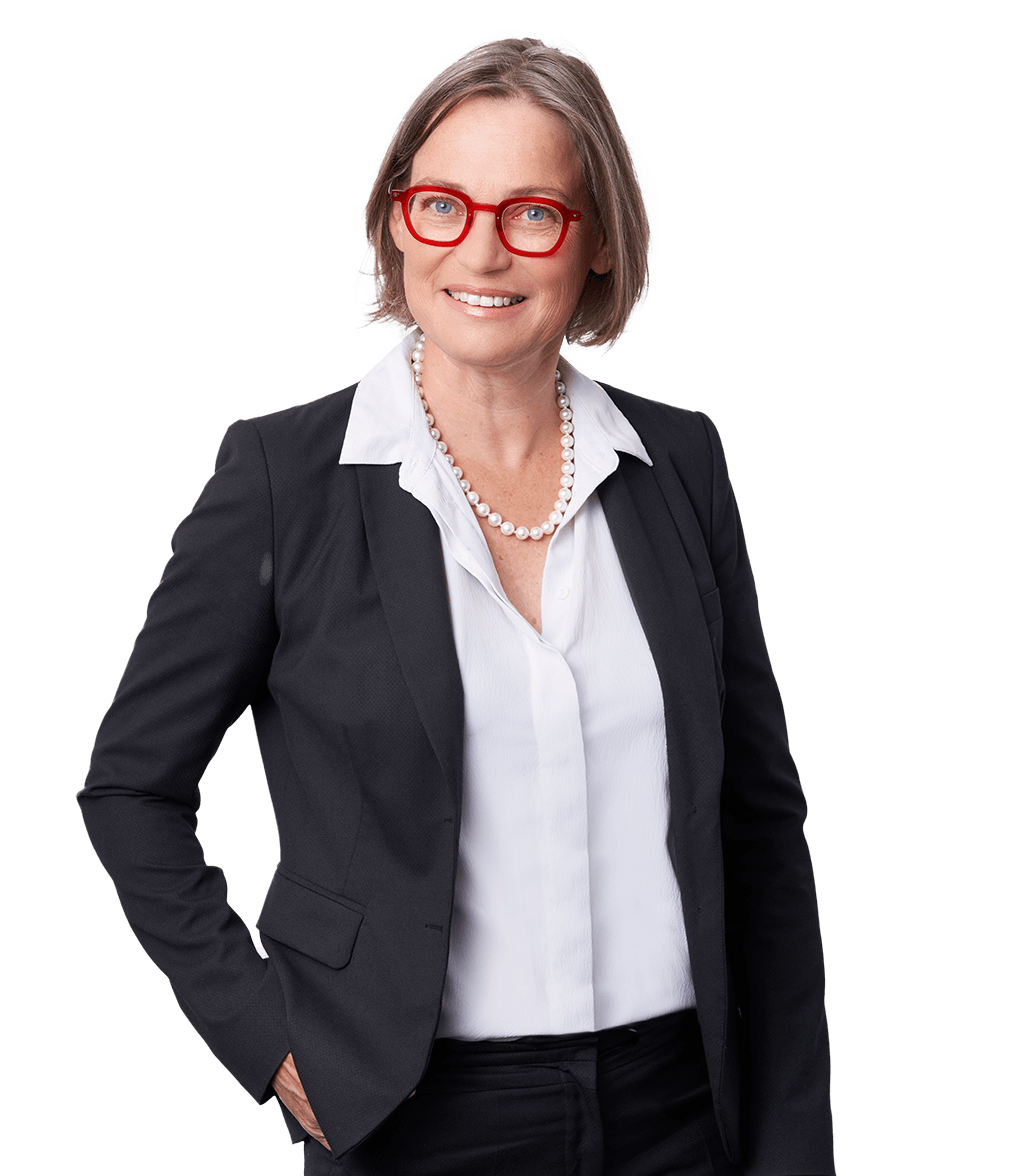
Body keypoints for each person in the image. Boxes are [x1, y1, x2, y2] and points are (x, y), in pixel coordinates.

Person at [77, 29, 834, 1176]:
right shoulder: (284, 478)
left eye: (532, 213)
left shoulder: (681, 462)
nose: (480, 250)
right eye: (441, 205)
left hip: (685, 1111)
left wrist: (792, 1141)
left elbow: (761, 823)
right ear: (393, 223)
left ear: (596, 242)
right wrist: (267, 1040)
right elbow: (131, 787)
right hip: (409, 1120)